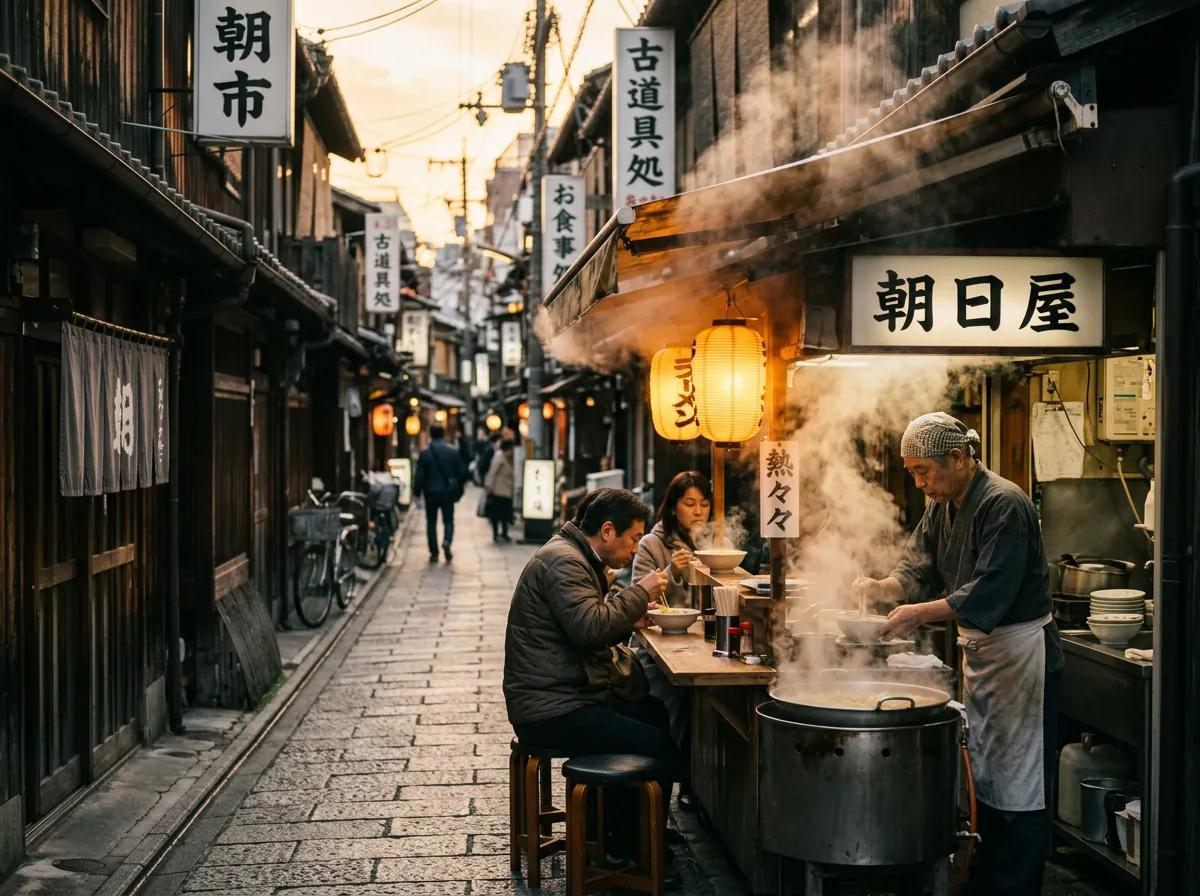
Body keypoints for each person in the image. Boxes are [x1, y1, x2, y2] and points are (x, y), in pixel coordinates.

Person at [855, 412, 1062, 896]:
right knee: (985, 776)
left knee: (1021, 785)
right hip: (986, 656)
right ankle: (985, 878)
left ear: (958, 457)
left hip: (1022, 655)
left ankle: (1015, 887)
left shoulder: (1004, 503)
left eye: (923, 471)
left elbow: (991, 590)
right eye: (911, 473)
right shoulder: (943, 502)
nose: (919, 482)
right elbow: (918, 565)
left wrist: (915, 613)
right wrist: (884, 587)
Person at [503, 488, 682, 880]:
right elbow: (588, 628)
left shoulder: (573, 556)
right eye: (633, 539)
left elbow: (587, 625)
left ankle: (628, 831)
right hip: (551, 708)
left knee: (652, 713)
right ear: (606, 530)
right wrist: (639, 593)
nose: (635, 549)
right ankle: (625, 850)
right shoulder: (565, 562)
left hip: (566, 695)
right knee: (656, 744)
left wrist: (627, 617)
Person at [631, 471, 712, 811]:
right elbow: (637, 596)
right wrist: (671, 573)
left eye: (705, 504)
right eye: (689, 503)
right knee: (674, 705)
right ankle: (671, 783)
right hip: (657, 649)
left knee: (708, 704)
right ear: (672, 506)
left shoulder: (713, 541)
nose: (698, 512)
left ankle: (695, 784)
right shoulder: (652, 543)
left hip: (697, 643)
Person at [413, 424, 467, 563]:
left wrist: (416, 493)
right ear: (443, 435)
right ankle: (447, 541)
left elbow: (419, 476)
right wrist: (459, 489)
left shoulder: (425, 453)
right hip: (447, 492)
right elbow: (461, 473)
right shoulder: (452, 451)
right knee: (448, 520)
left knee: (431, 522)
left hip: (430, 492)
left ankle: (434, 552)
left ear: (431, 435)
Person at [483, 438, 515, 542]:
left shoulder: (510, 458)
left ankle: (504, 533)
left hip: (507, 490)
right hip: (498, 490)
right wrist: (489, 487)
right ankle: (496, 533)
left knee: (505, 514)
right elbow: (492, 473)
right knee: (496, 514)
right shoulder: (499, 457)